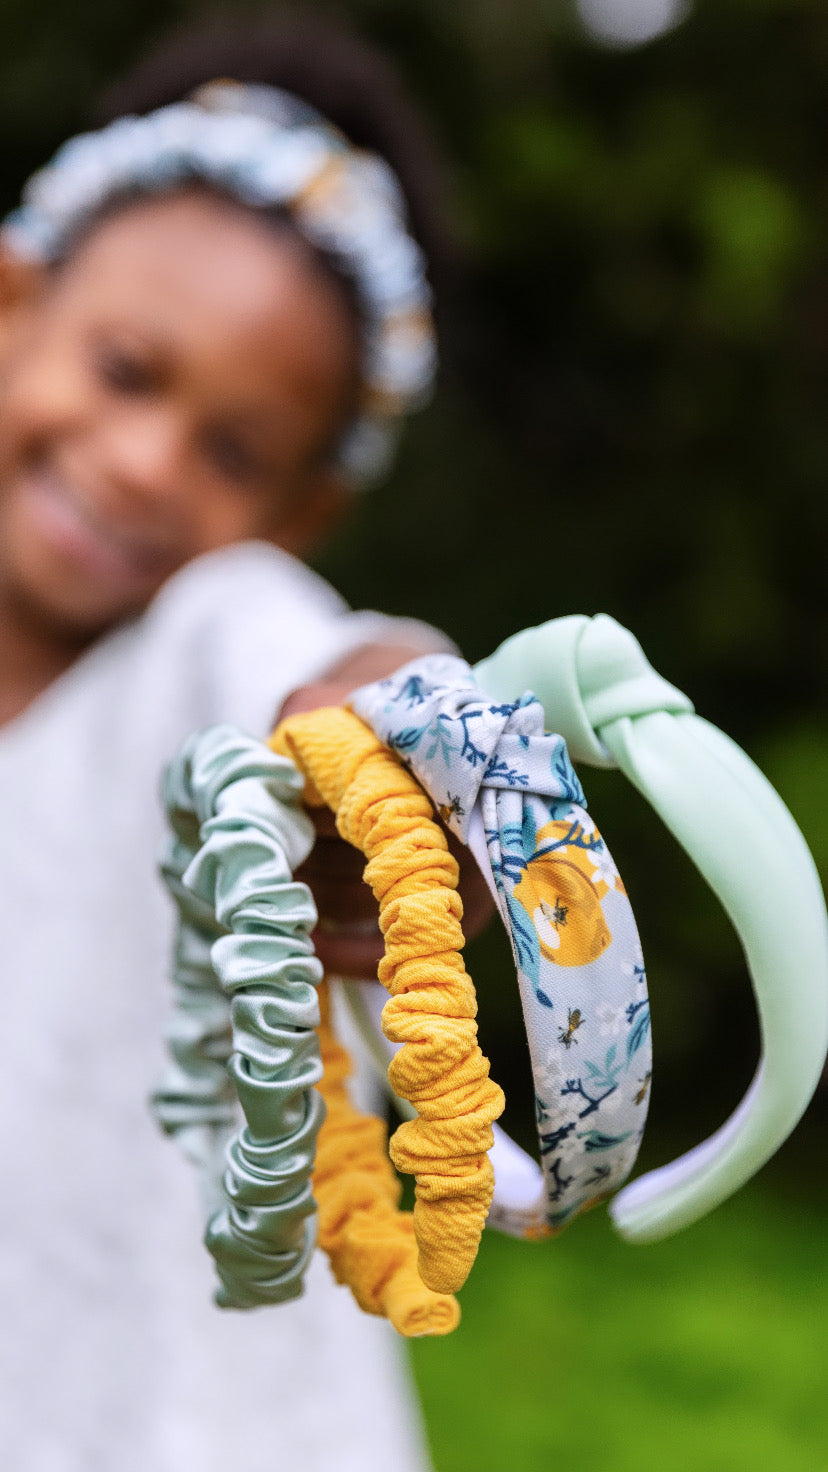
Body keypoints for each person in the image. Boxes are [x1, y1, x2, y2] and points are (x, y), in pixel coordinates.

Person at [0, 14, 485, 1469]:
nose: (144, 461)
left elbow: (339, 670)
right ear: (11, 304)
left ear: (296, 518)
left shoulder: (207, 657)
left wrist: (387, 764)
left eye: (232, 452)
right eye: (129, 370)